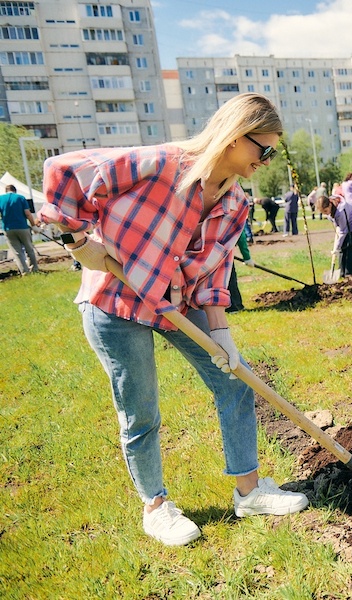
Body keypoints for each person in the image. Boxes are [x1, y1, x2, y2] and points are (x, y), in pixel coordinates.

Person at [37, 92, 309, 547]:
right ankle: (156, 507)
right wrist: (79, 240)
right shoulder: (160, 165)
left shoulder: (235, 203)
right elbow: (62, 170)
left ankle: (249, 493)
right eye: (264, 150)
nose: (266, 161)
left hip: (175, 304)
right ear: (235, 136)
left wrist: (221, 334)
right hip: (115, 300)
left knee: (235, 380)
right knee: (140, 409)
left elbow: (216, 271)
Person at [318, 188, 352, 278]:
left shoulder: (340, 211)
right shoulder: (330, 209)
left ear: (330, 205)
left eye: (326, 211)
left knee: (351, 247)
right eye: (323, 212)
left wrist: (336, 247)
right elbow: (338, 227)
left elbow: (343, 231)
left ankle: (350, 273)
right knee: (342, 248)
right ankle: (341, 272)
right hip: (345, 224)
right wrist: (338, 246)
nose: (325, 214)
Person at [0, 184, 40, 275]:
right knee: (29, 249)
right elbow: (27, 213)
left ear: (6, 191)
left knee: (17, 252)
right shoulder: (20, 198)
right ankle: (34, 269)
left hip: (8, 229)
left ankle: (24, 272)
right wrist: (33, 226)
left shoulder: (0, 199)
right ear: (15, 190)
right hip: (22, 227)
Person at [226, 225, 254, 313]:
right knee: (229, 278)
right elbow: (240, 235)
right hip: (224, 252)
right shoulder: (234, 218)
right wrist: (247, 257)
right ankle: (234, 306)